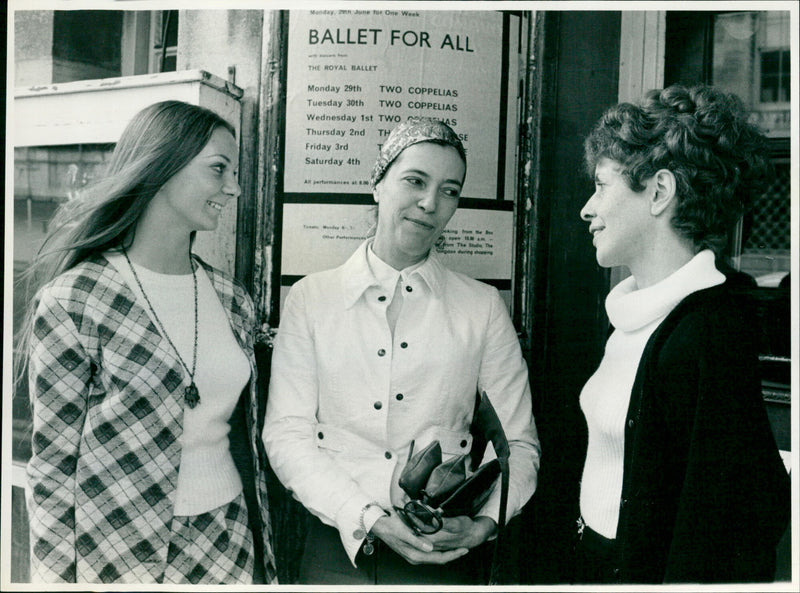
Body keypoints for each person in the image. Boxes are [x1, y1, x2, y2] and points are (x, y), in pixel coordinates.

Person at [263, 117, 540, 585]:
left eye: (450, 190)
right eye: (415, 180)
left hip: (442, 557)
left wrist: (481, 525)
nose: (430, 203)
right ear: (378, 184)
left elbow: (518, 445)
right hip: (337, 551)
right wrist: (366, 516)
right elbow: (286, 435)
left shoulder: (482, 307)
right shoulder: (312, 299)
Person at [20, 100, 275, 584]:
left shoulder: (232, 299)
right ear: (162, 165)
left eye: (235, 173)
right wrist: (53, 580)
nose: (235, 187)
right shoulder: (78, 297)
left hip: (227, 540)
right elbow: (52, 466)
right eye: (218, 168)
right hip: (117, 549)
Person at [574, 84, 790, 583]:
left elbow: (726, 531)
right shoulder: (636, 314)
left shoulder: (708, 334)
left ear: (659, 192)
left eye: (602, 186)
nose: (587, 208)